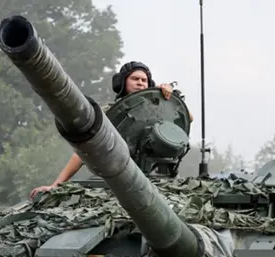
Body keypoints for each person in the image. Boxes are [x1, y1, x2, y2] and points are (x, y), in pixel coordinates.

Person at [30, 61, 192, 198]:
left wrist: (167, 96)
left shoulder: (160, 110)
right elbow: (84, 151)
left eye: (144, 80)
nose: (140, 83)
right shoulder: (109, 114)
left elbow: (187, 117)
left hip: (159, 180)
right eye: (135, 78)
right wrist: (56, 185)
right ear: (122, 83)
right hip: (117, 181)